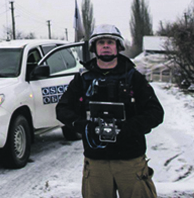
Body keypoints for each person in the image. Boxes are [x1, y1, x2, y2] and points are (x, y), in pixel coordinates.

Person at [57, 24, 164, 198]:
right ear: (94, 48)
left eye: (110, 42)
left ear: (118, 46)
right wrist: (85, 127)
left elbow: (155, 112)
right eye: (101, 43)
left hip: (130, 160)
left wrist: (128, 128)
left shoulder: (133, 77)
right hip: (96, 161)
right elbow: (63, 109)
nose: (105, 46)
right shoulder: (83, 78)